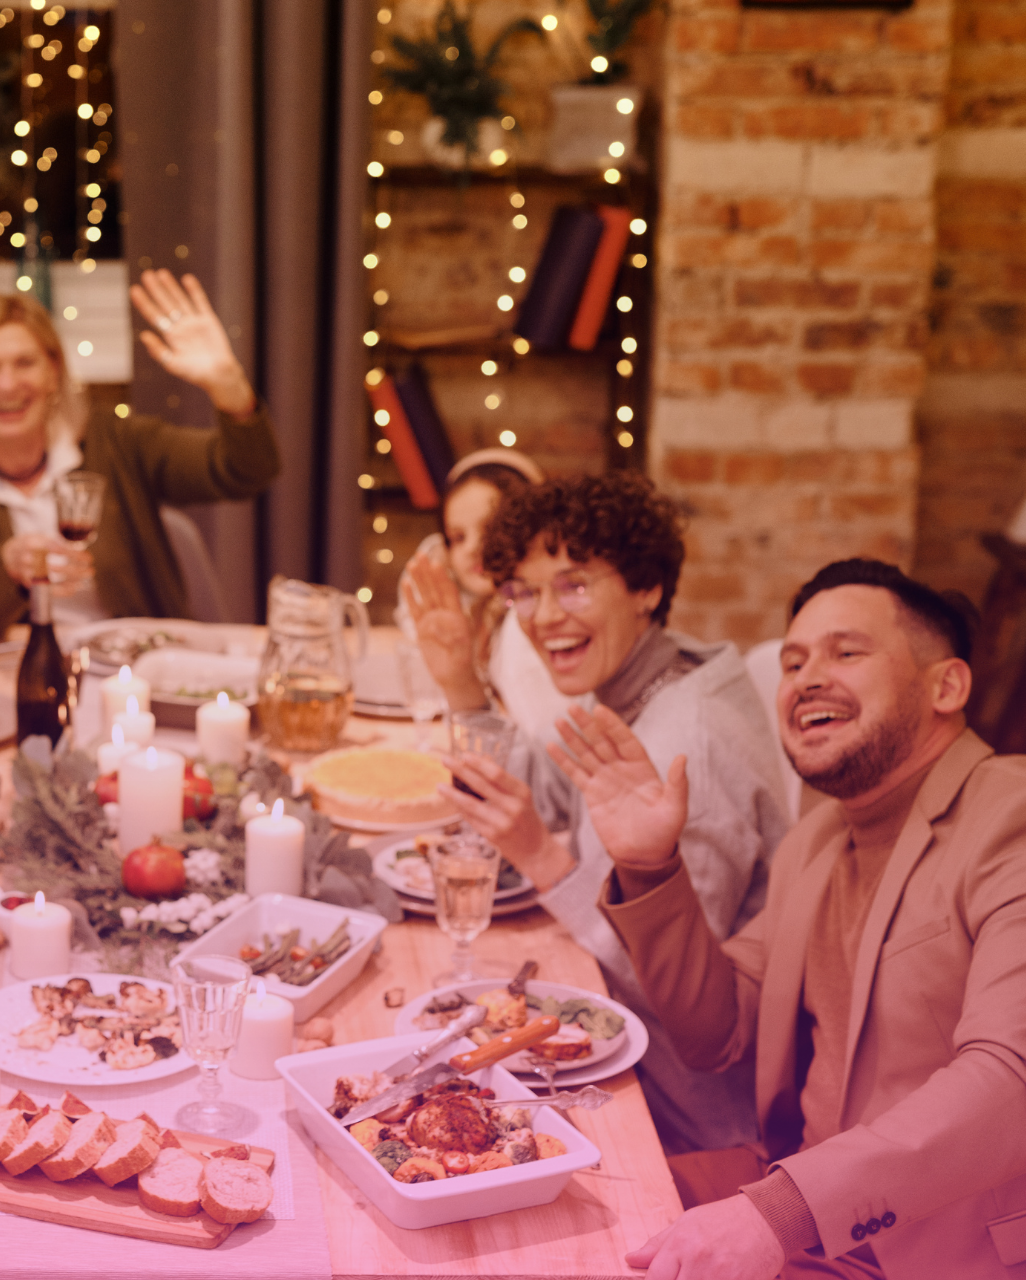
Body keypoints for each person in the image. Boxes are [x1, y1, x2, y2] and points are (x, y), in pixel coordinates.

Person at [579, 560, 1026, 1280]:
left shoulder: (1011, 816)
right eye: (793, 661)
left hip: (942, 1254)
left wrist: (781, 1213)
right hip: (810, 1219)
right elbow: (715, 1032)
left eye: (846, 652)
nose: (807, 677)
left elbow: (1013, 1080)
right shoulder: (816, 840)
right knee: (546, 1207)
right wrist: (651, 865)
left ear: (947, 685)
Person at [441, 471, 789, 1154]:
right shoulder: (649, 675)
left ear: (646, 587)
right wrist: (460, 678)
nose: (542, 617)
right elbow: (545, 790)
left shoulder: (687, 742)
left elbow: (677, 999)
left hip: (690, 1114)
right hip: (630, 1051)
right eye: (526, 592)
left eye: (573, 585)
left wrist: (543, 857)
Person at [0, 271, 281, 636]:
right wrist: (8, 568)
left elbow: (247, 471)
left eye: (25, 363)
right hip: (24, 670)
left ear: (53, 372)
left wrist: (229, 387)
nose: (7, 384)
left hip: (135, 669)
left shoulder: (117, 441)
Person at [397, 447, 570, 741]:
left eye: (490, 528)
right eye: (458, 537)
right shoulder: (477, 614)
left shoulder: (530, 623)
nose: (474, 548)